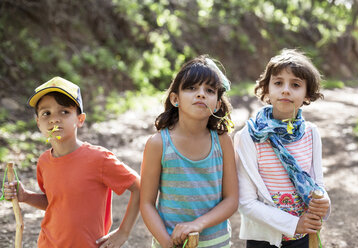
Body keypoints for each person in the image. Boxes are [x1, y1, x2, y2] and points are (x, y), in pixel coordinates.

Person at [3, 76, 140, 248]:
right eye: (46, 113)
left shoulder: (99, 159)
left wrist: (124, 232)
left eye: (64, 112)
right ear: (38, 122)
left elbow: (139, 187)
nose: (54, 119)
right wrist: (25, 196)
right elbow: (56, 203)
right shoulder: (44, 161)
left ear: (80, 119)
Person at [234, 49, 331, 248]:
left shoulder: (311, 133)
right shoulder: (250, 136)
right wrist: (295, 224)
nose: (286, 90)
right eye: (278, 83)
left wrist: (324, 202)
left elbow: (317, 185)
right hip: (264, 238)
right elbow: (246, 203)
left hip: (303, 236)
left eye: (295, 84)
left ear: (307, 94)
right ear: (267, 89)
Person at [140, 55, 238, 248]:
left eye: (209, 90)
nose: (201, 94)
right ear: (175, 99)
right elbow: (146, 204)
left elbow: (232, 199)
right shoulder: (158, 144)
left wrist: (196, 225)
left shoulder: (222, 141)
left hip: (216, 244)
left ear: (217, 103)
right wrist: (167, 243)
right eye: (191, 88)